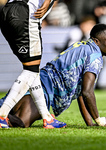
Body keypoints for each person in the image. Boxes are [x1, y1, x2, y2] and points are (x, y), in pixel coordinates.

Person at [0, 24, 106, 128]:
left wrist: (90, 122)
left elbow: (80, 92)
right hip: (43, 87)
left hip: (38, 80)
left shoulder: (83, 46)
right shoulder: (95, 55)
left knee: (7, 110)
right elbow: (87, 92)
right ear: (96, 41)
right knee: (21, 122)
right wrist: (99, 120)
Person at [0, 0, 66, 128]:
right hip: (25, 14)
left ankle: (47, 118)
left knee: (32, 70)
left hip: (7, 11)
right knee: (30, 71)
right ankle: (2, 114)